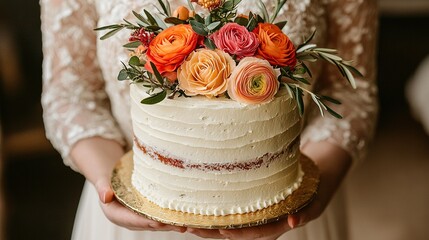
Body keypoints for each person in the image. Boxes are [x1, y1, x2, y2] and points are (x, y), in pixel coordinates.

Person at [40, 0, 378, 239]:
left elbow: (351, 91)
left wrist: (314, 191)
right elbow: (70, 95)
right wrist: (108, 185)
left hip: (284, 212)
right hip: (138, 211)